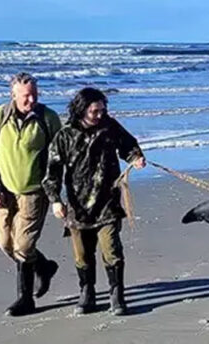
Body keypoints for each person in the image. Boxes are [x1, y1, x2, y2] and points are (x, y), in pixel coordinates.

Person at [43, 87, 146, 316]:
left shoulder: (110, 127)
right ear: (82, 110)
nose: (100, 115)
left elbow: (128, 145)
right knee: (82, 254)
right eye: (95, 111)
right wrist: (55, 200)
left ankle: (116, 295)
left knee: (111, 250)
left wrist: (136, 157)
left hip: (108, 201)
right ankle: (87, 292)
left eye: (102, 109)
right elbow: (52, 171)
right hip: (77, 207)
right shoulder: (65, 135)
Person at [0, 72, 62, 317]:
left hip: (35, 192)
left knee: (24, 246)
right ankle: (44, 267)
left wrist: (55, 191)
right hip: (5, 193)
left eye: (35, 94)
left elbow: (59, 156)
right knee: (5, 244)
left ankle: (25, 299)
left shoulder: (48, 118)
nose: (31, 99)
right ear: (13, 94)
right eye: (26, 96)